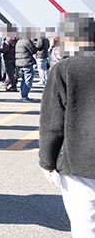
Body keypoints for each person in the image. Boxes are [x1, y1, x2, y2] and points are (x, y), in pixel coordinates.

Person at [39, 13, 95, 237]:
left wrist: (47, 161)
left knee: (85, 226)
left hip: (78, 160)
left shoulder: (64, 69)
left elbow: (52, 122)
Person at [15, 28, 38, 102]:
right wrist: (35, 45)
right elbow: (34, 50)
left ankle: (22, 95)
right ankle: (24, 96)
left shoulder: (19, 41)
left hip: (20, 62)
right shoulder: (27, 40)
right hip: (26, 62)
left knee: (24, 80)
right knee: (28, 80)